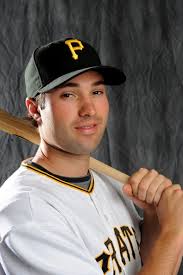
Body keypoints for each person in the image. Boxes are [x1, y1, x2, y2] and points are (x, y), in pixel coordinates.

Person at [0, 38, 183, 275]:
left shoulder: (111, 184)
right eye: (69, 95)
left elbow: (148, 265)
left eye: (96, 91)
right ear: (35, 109)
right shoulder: (27, 215)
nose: (89, 110)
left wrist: (154, 220)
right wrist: (173, 234)